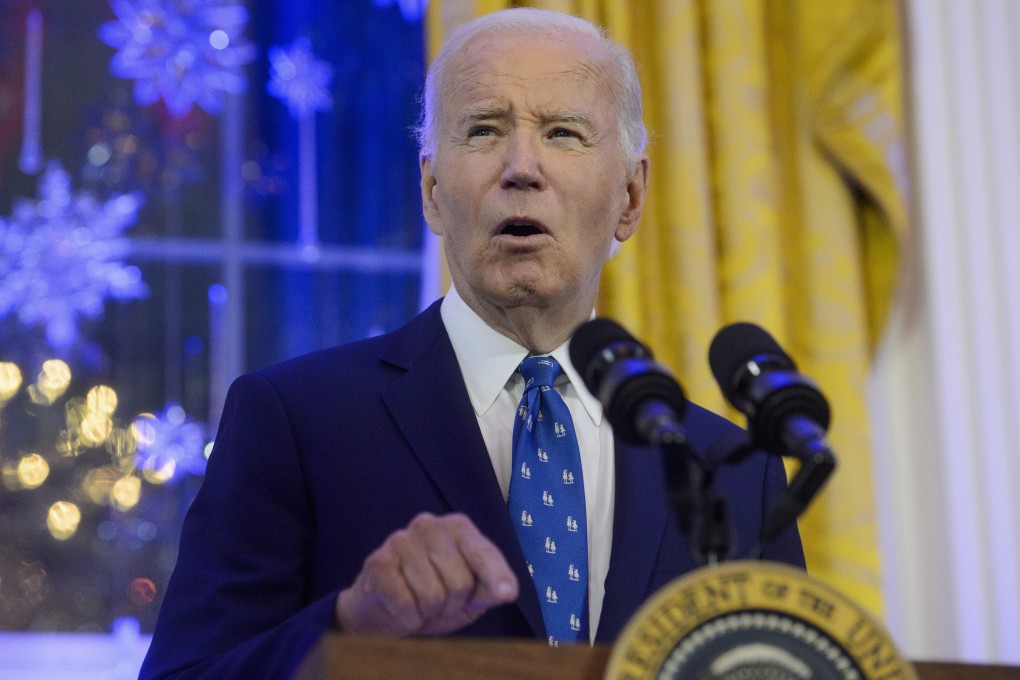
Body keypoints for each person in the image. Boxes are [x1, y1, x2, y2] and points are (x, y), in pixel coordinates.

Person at [139, 8, 803, 679]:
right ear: (431, 191)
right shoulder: (295, 420)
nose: (522, 167)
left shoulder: (735, 473)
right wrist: (348, 626)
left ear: (630, 197)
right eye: (483, 130)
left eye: (563, 133)